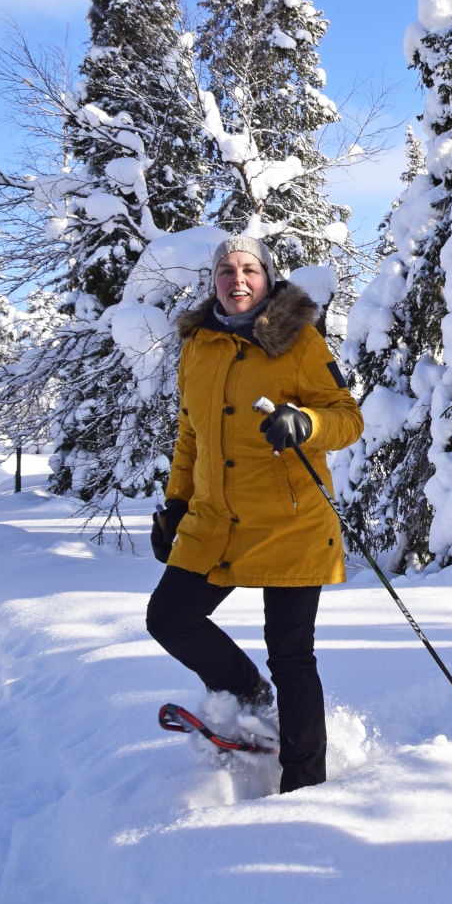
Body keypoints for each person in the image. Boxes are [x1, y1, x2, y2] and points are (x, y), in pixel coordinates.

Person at [146, 235, 363, 793]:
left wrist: (306, 424)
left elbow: (346, 417)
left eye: (248, 270)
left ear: (267, 278)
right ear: (213, 279)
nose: (236, 280)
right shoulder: (199, 344)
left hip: (290, 520)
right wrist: (176, 502)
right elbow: (190, 433)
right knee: (169, 618)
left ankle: (304, 784)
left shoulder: (299, 340)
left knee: (291, 656)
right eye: (225, 270)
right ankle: (249, 694)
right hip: (215, 519)